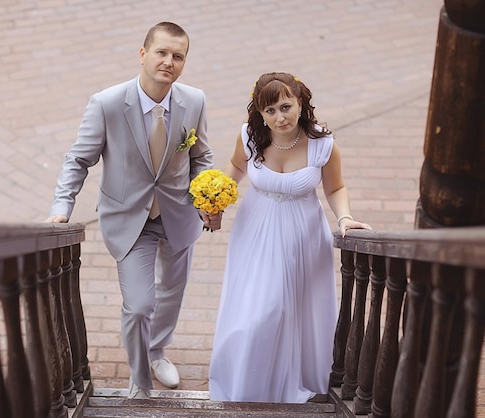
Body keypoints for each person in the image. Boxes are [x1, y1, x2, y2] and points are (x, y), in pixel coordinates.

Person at [45, 22, 219, 399]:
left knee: (171, 293)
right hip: (129, 219)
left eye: (178, 56)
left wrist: (207, 198)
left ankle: (157, 351)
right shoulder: (107, 103)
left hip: (178, 215)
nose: (169, 62)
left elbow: (201, 156)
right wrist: (62, 207)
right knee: (139, 305)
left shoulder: (195, 100)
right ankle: (140, 382)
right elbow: (78, 159)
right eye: (162, 53)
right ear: (143, 54)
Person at [208, 72, 372, 403]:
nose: (279, 118)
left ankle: (289, 382)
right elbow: (236, 167)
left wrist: (345, 217)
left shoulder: (322, 144)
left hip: (303, 235)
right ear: (260, 113)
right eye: (270, 111)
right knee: (259, 310)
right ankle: (246, 383)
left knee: (293, 310)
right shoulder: (250, 137)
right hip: (255, 232)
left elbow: (336, 187)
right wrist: (217, 199)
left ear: (301, 103)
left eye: (286, 107)